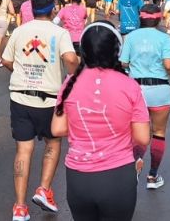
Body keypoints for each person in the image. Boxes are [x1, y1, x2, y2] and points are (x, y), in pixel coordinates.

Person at [51, 21, 150, 221]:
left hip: (78, 178)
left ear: (84, 52)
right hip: (117, 177)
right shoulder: (130, 86)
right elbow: (142, 137)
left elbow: (58, 128)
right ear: (117, 51)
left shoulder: (69, 83)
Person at [1, 0, 78, 221]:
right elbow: (71, 60)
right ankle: (44, 189)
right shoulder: (59, 32)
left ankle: (20, 207)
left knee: (23, 150)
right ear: (53, 8)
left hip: (20, 97)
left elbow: (6, 60)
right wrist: (73, 77)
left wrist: (21, 73)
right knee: (53, 143)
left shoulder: (20, 31)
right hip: (49, 99)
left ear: (32, 8)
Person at [120, 5, 170, 191]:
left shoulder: (130, 37)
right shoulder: (165, 38)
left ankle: (136, 161)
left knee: (137, 133)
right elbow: (169, 64)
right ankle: (153, 176)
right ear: (158, 19)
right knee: (159, 132)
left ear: (141, 18)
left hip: (135, 91)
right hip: (159, 91)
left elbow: (123, 62)